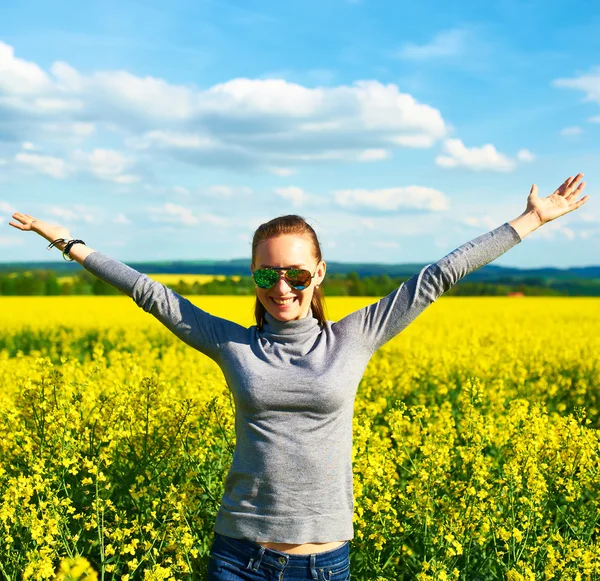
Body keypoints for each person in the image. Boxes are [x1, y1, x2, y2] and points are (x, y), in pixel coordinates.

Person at [9, 174, 589, 580]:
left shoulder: (354, 336)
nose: (280, 287)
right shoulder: (232, 342)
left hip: (324, 561)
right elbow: (148, 293)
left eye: (294, 273)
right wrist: (68, 243)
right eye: (267, 273)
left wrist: (530, 220)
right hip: (237, 555)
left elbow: (437, 276)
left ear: (317, 273)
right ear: (254, 276)